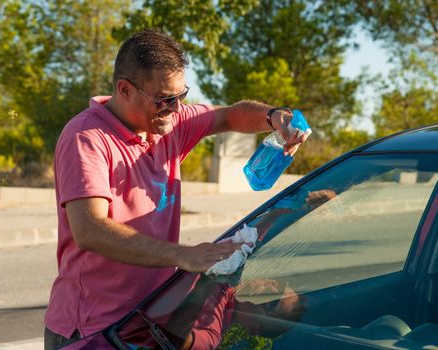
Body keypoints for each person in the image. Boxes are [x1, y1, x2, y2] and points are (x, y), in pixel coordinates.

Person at [44, 28, 308, 349]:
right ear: (125, 89)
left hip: (148, 322)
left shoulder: (170, 123)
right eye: (164, 100)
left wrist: (274, 117)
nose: (175, 108)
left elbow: (229, 115)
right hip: (92, 331)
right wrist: (185, 256)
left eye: (181, 96)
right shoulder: (87, 138)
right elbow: (90, 230)